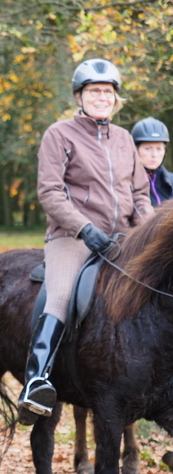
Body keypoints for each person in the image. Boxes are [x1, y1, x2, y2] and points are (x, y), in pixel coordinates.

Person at [17, 58, 154, 425]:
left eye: (107, 92)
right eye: (94, 91)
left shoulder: (125, 139)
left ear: (115, 98)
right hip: (72, 238)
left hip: (125, 238)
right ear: (80, 95)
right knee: (60, 294)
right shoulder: (59, 134)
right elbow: (50, 192)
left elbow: (140, 194)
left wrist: (149, 233)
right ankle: (36, 381)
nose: (101, 97)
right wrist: (83, 229)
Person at [132, 117, 173, 206]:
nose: (154, 154)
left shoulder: (171, 181)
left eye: (159, 149)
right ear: (136, 150)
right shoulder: (126, 182)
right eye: (147, 148)